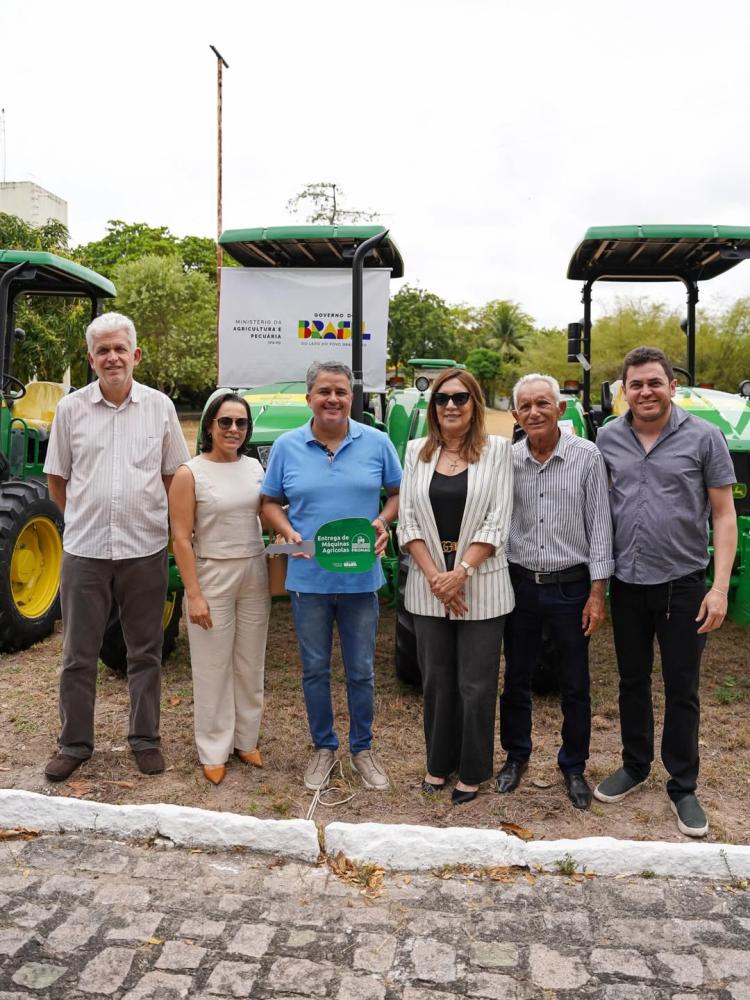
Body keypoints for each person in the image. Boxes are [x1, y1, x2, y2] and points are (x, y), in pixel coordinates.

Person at [594, 346, 737, 837]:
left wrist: (718, 588)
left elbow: (723, 514)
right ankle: (635, 766)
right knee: (631, 681)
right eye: (636, 385)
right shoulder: (607, 438)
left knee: (682, 689)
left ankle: (683, 784)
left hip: (683, 584)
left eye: (655, 382)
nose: (646, 391)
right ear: (624, 392)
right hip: (628, 583)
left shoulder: (705, 438)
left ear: (673, 386)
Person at [43, 312, 190, 782]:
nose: (112, 357)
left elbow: (173, 476)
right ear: (91, 359)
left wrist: (164, 526)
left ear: (135, 355)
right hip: (84, 550)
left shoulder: (160, 407)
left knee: (144, 651)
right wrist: (85, 519)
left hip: (144, 547)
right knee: (77, 653)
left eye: (119, 349)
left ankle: (145, 738)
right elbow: (56, 480)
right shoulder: (71, 409)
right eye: (102, 350)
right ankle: (74, 743)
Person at [260, 361, 401, 792]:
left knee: (361, 670)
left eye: (340, 392)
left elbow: (398, 494)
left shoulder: (377, 444)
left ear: (351, 398)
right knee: (315, 670)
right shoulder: (287, 446)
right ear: (309, 399)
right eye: (324, 392)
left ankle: (362, 749)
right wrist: (286, 531)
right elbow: (268, 502)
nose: (333, 399)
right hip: (309, 581)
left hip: (361, 581)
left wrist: (382, 522)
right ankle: (323, 747)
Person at [398, 369, 514, 805]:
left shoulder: (498, 452)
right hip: (429, 584)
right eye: (443, 398)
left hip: (481, 582)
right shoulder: (415, 453)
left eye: (460, 398)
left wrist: (460, 572)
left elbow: (498, 520)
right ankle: (438, 763)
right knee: (438, 682)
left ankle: (472, 770)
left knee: (477, 684)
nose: (450, 405)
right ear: (433, 407)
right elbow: (407, 518)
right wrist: (434, 576)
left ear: (474, 405)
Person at [499, 374, 614, 810]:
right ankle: (516, 756)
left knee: (575, 682)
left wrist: (597, 592)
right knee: (516, 679)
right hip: (521, 586)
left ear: (560, 409)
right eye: (525, 406)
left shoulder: (587, 457)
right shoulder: (507, 461)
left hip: (572, 587)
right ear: (514, 415)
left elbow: (601, 528)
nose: (534, 412)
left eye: (543, 403)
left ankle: (573, 765)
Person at [169, 392, 270, 785]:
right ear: (209, 425)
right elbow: (180, 537)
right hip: (211, 574)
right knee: (212, 665)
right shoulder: (189, 473)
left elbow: (268, 514)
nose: (233, 430)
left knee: (250, 662)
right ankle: (213, 747)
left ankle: (246, 739)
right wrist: (193, 594)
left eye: (241, 423)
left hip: (254, 571)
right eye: (225, 422)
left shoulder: (255, 468)